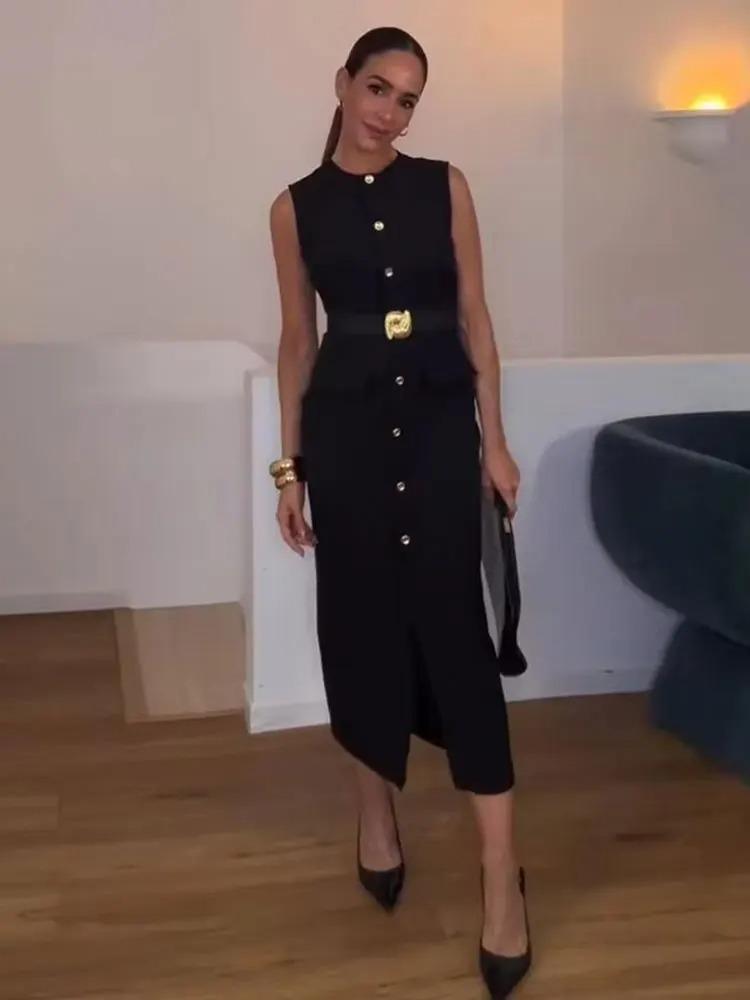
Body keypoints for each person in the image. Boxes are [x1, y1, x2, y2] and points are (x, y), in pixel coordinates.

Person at [268, 26, 531, 999]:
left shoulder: (445, 187)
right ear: (343, 83)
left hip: (436, 434)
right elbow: (298, 343)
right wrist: (289, 470)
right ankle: (375, 817)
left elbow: (476, 318)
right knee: (358, 630)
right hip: (344, 444)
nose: (389, 112)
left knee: (457, 640)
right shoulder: (295, 208)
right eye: (377, 88)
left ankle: (501, 879)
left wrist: (494, 441)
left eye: (407, 99)